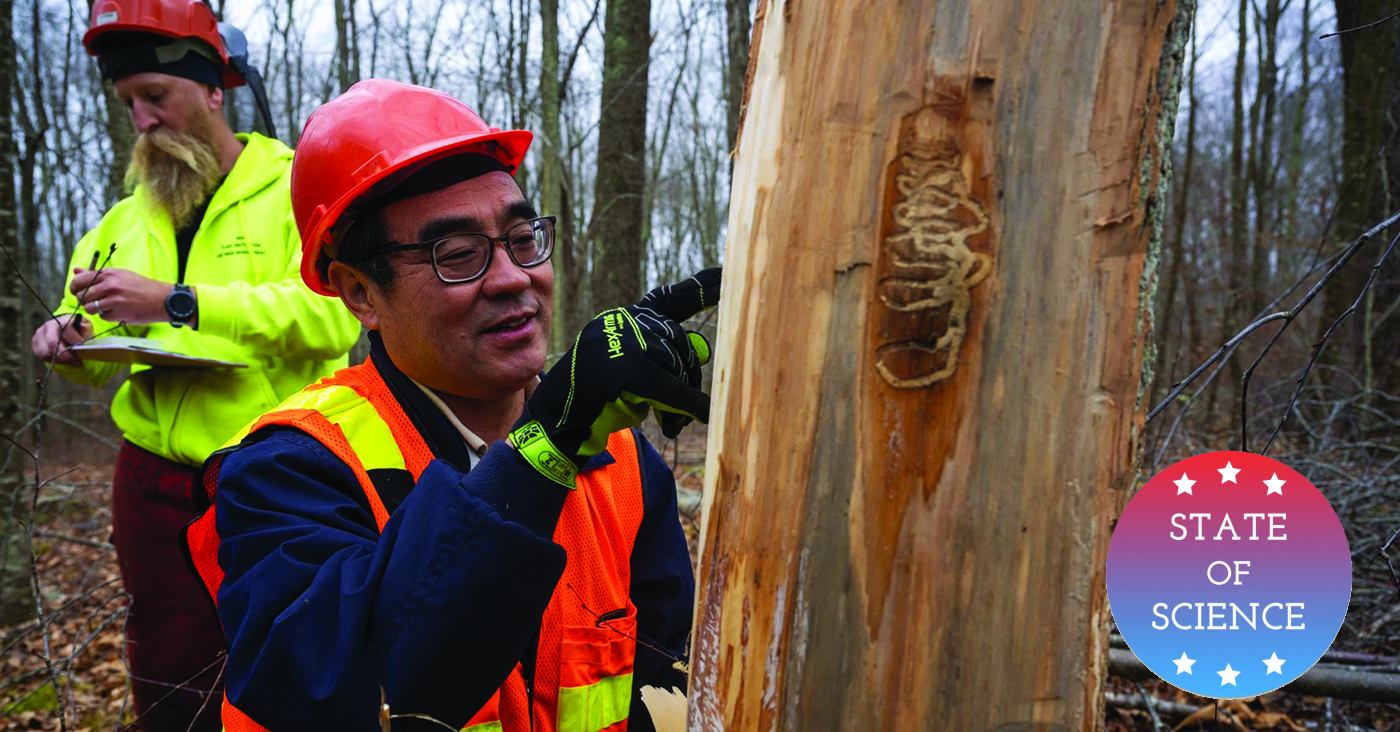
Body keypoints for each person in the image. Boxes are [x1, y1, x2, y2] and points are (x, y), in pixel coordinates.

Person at [183, 78, 715, 732]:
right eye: (458, 255)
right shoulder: (288, 470)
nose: (513, 279)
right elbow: (353, 689)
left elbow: (666, 686)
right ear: (360, 295)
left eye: (524, 241)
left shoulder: (626, 464)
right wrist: (545, 445)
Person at [28, 1, 361, 729]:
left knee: (287, 651)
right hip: (150, 477)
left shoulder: (295, 189)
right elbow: (82, 345)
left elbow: (333, 315)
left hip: (276, 465)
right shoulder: (121, 221)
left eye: (157, 96)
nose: (142, 119)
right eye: (128, 103)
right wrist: (64, 337)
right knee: (171, 666)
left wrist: (179, 303)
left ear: (214, 90)